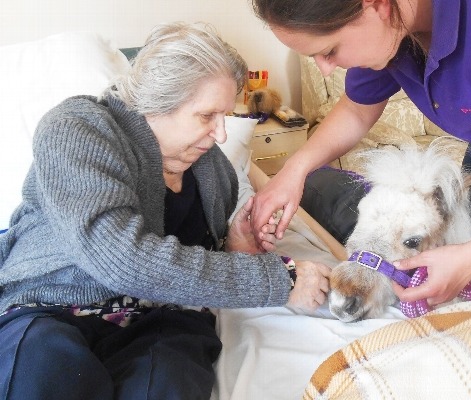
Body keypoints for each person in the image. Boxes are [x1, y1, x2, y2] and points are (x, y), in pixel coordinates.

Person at [0, 22, 330, 399]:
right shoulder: (78, 128)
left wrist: (234, 247)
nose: (221, 134)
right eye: (207, 116)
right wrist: (277, 279)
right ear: (157, 101)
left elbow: (191, 266)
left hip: (164, 321)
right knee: (41, 372)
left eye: (226, 116)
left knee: (167, 382)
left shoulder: (215, 170)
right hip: (52, 307)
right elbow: (121, 259)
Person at [249, 0, 471, 311]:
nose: (326, 69)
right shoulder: (396, 27)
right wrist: (294, 170)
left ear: (377, 4)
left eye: (329, 51)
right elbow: (357, 110)